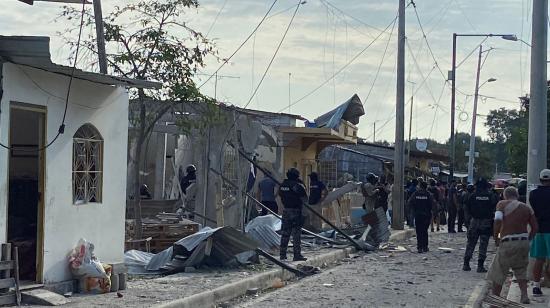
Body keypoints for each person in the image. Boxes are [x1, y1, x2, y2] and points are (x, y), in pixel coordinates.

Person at [487, 186, 537, 304]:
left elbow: (498, 220)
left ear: (505, 195)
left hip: (508, 241)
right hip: (523, 241)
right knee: (520, 269)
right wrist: (528, 239)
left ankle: (495, 298)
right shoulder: (526, 207)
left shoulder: (502, 204)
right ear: (517, 195)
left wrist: (496, 237)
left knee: (499, 271)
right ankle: (524, 295)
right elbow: (535, 227)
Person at [463, 178, 497, 273]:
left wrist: (468, 220)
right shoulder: (491, 196)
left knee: (470, 243)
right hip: (486, 222)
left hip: (474, 221)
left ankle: (466, 263)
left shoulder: (472, 196)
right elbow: (495, 208)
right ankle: (480, 266)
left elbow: (466, 208)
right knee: (483, 244)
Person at [279, 168, 308, 262]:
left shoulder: (283, 185)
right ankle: (297, 255)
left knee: (285, 234)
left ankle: (282, 255)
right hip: (296, 211)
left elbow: (281, 195)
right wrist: (304, 214)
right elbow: (305, 199)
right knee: (296, 234)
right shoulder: (297, 186)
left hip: (286, 211)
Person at [529, 169, 550, 297]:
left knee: (539, 259)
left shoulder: (533, 194)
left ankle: (536, 286)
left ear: (541, 179)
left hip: (539, 230)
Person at [407, 181, 437, 253]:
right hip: (426, 215)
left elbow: (409, 202)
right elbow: (433, 204)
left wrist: (411, 212)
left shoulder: (415, 194)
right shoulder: (428, 194)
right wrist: (435, 214)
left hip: (418, 215)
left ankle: (419, 247)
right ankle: (425, 247)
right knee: (424, 231)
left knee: (419, 231)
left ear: (420, 186)